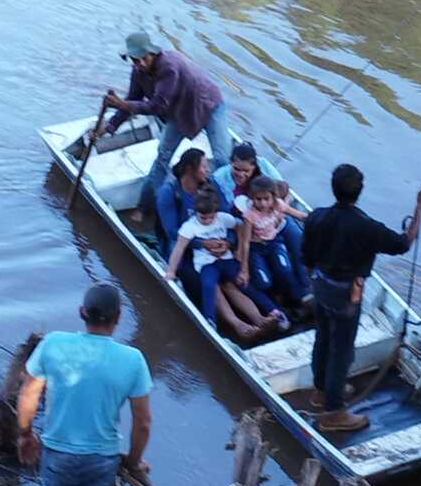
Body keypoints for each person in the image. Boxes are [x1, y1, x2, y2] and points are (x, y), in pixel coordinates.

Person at [16, 284, 153, 486]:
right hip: (101, 460)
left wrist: (25, 434)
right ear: (118, 317)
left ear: (82, 312)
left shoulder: (53, 343)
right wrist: (134, 460)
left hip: (57, 454)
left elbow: (28, 394)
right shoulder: (133, 359)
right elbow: (143, 422)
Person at [302, 164, 421, 433]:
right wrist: (419, 208)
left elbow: (307, 258)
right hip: (346, 295)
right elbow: (404, 243)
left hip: (321, 287)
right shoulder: (367, 227)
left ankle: (321, 390)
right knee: (341, 350)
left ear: (333, 187)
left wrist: (317, 281)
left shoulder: (316, 217)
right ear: (360, 191)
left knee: (323, 338)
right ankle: (333, 412)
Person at [95, 31, 232, 219]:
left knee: (222, 158)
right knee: (162, 158)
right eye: (135, 60)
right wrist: (110, 127)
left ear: (152, 53)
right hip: (180, 112)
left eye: (143, 58)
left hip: (208, 104)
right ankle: (145, 207)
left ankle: (225, 207)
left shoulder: (169, 67)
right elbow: (132, 100)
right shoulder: (138, 72)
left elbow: (157, 106)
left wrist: (122, 104)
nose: (140, 63)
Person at [156, 149, 277, 341]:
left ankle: (260, 319)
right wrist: (203, 244)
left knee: (232, 280)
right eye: (203, 165)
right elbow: (172, 232)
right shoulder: (169, 192)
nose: (208, 169)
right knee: (212, 282)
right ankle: (237, 325)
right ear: (190, 169)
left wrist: (227, 243)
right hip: (186, 247)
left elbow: (226, 218)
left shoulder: (211, 186)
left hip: (218, 245)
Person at [165, 187, 284, 330]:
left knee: (245, 284)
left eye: (211, 217)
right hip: (207, 264)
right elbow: (179, 248)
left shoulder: (223, 217)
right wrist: (171, 271)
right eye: (203, 218)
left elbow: (239, 226)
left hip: (227, 260)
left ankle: (275, 312)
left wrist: (238, 250)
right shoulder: (189, 226)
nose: (208, 221)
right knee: (208, 286)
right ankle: (210, 320)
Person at [213, 142, 309, 295]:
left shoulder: (264, 165)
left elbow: (286, 193)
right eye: (237, 169)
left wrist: (279, 214)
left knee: (297, 237)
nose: (241, 175)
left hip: (274, 218)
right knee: (262, 273)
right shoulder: (219, 178)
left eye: (246, 171)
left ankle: (305, 287)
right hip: (246, 227)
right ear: (231, 163)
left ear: (254, 166)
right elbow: (225, 214)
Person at [238, 176, 312, 328]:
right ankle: (277, 305)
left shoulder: (278, 205)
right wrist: (244, 269)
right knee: (264, 282)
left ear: (273, 197)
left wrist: (317, 218)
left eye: (266, 199)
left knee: (285, 269)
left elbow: (298, 214)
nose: (263, 203)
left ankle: (299, 300)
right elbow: (245, 243)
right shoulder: (249, 216)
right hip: (257, 249)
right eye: (258, 199)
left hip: (274, 243)